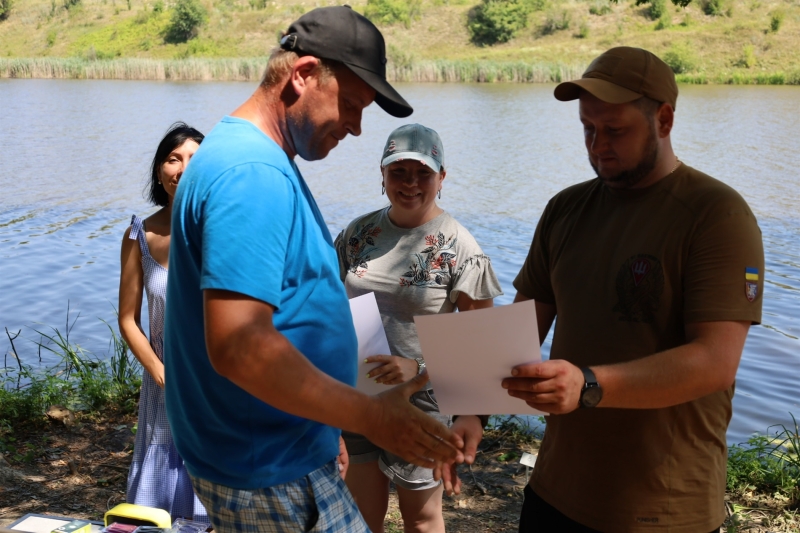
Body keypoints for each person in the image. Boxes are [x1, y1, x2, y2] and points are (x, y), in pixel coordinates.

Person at [162, 7, 468, 533]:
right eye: (351, 104)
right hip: (265, 467)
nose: (355, 127)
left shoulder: (252, 157)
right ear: (303, 75)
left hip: (281, 449)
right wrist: (369, 416)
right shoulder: (251, 175)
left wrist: (326, 428)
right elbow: (240, 347)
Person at [501, 47, 765, 532]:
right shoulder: (565, 209)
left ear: (663, 120)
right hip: (554, 490)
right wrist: (466, 403)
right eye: (588, 128)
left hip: (659, 508)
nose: (598, 144)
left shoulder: (718, 216)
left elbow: (715, 361)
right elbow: (519, 330)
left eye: (615, 130)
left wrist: (589, 385)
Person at [334, 123, 501, 533]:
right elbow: (330, 310)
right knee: (359, 515)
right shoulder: (357, 234)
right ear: (382, 174)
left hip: (423, 400)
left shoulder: (460, 246)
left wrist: (419, 366)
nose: (410, 184)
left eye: (422, 172)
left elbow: (486, 344)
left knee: (422, 518)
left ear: (442, 177)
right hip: (359, 390)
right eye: (398, 172)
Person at [118, 122, 208, 523]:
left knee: (212, 485)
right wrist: (159, 372)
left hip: (215, 382)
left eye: (194, 159)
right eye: (174, 159)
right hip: (163, 387)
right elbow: (127, 320)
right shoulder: (140, 234)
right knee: (156, 501)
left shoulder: (225, 229)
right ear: (159, 170)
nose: (183, 168)